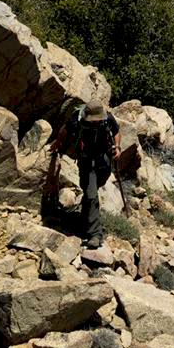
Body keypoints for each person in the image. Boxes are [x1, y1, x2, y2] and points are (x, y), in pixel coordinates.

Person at [54, 100, 121, 248]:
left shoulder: (107, 118)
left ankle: (84, 220)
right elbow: (64, 131)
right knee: (91, 195)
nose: (96, 123)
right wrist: (57, 144)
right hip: (86, 161)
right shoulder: (75, 120)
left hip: (104, 159)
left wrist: (117, 147)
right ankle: (95, 234)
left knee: (93, 191)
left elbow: (116, 131)